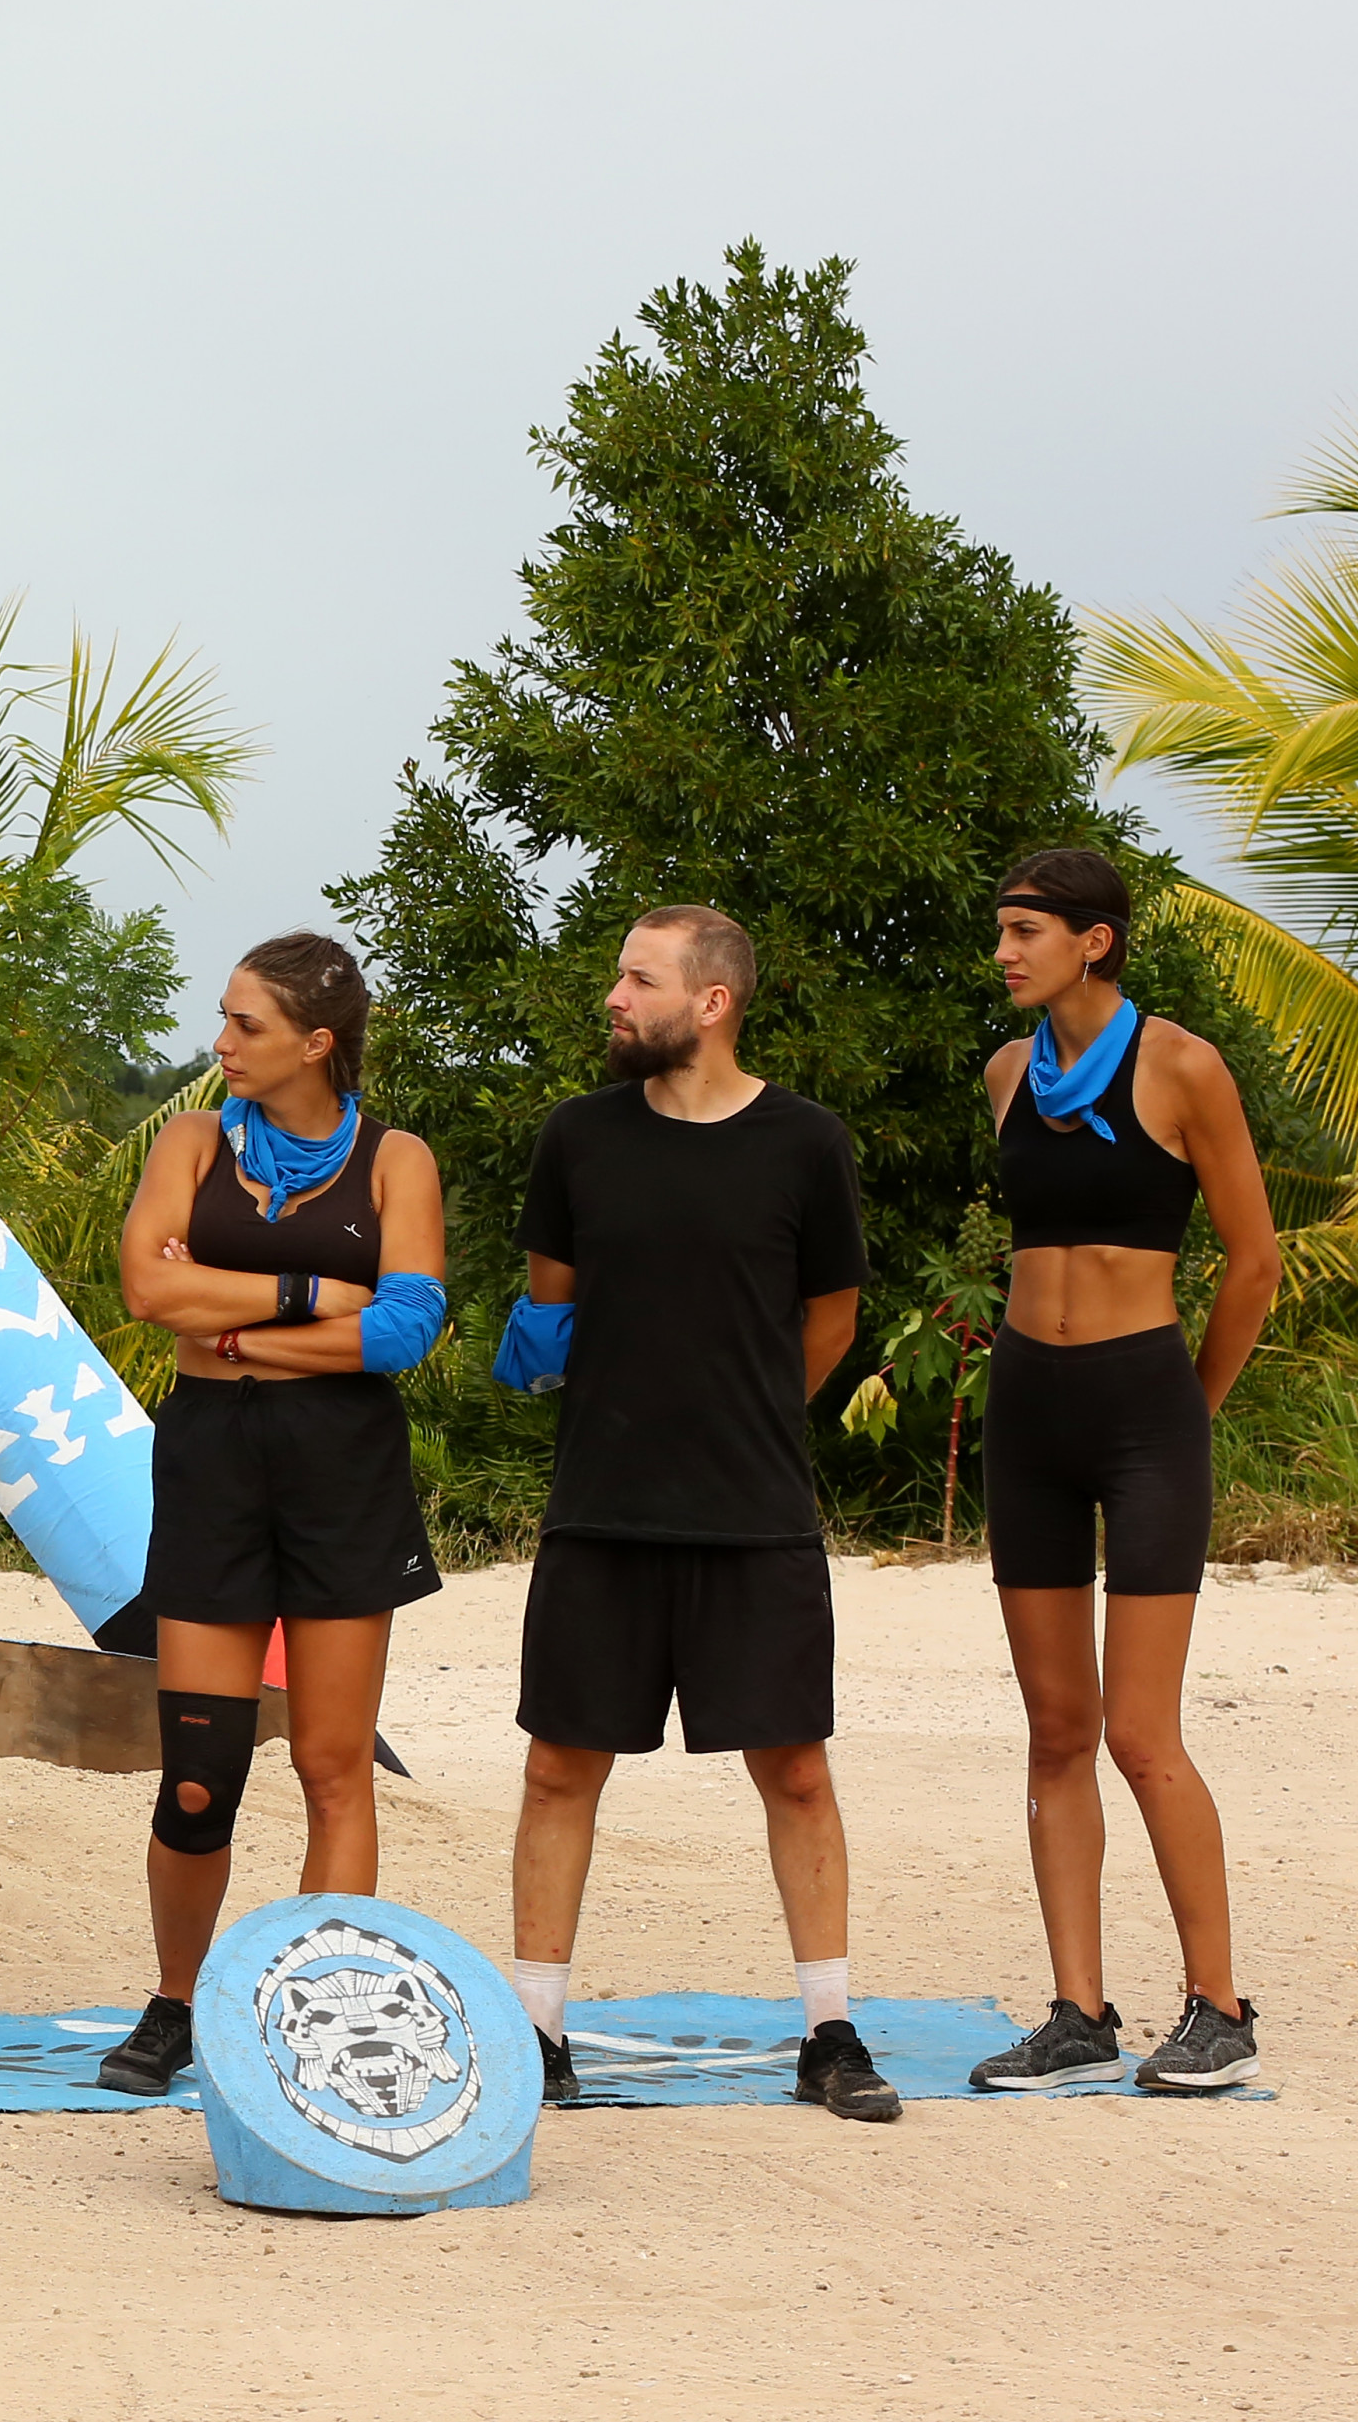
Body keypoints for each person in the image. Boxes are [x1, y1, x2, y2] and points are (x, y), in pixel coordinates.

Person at [495, 905, 898, 2123]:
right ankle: (536, 2034)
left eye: (638, 977)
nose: (614, 997)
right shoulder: (577, 1136)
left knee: (797, 1769)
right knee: (560, 1766)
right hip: (600, 1504)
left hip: (755, 1508)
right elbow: (551, 1306)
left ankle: (829, 2033)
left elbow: (832, 1314)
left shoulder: (805, 1140)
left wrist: (749, 1413)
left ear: (711, 1001)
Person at [94, 935, 449, 2095]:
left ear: (316, 1041)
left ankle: (332, 2011)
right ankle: (174, 2003)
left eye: (246, 1024)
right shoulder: (193, 1140)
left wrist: (238, 1330)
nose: (222, 1043)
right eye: (224, 1016)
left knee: (333, 1765)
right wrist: (309, 1293)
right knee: (199, 1774)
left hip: (341, 1471)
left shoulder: (397, 1159)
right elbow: (146, 1286)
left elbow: (404, 1329)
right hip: (212, 1463)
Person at [966, 850, 1275, 2094]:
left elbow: (1252, 1261)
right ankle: (1078, 2012)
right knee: (1056, 1728)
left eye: (1025, 930)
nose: (1004, 952)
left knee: (1143, 1731)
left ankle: (1221, 2007)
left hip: (1146, 1408)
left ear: (1095, 939)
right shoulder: (1006, 1074)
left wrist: (1190, 1407)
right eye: (1002, 931)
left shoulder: (1182, 1064)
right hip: (1028, 1410)